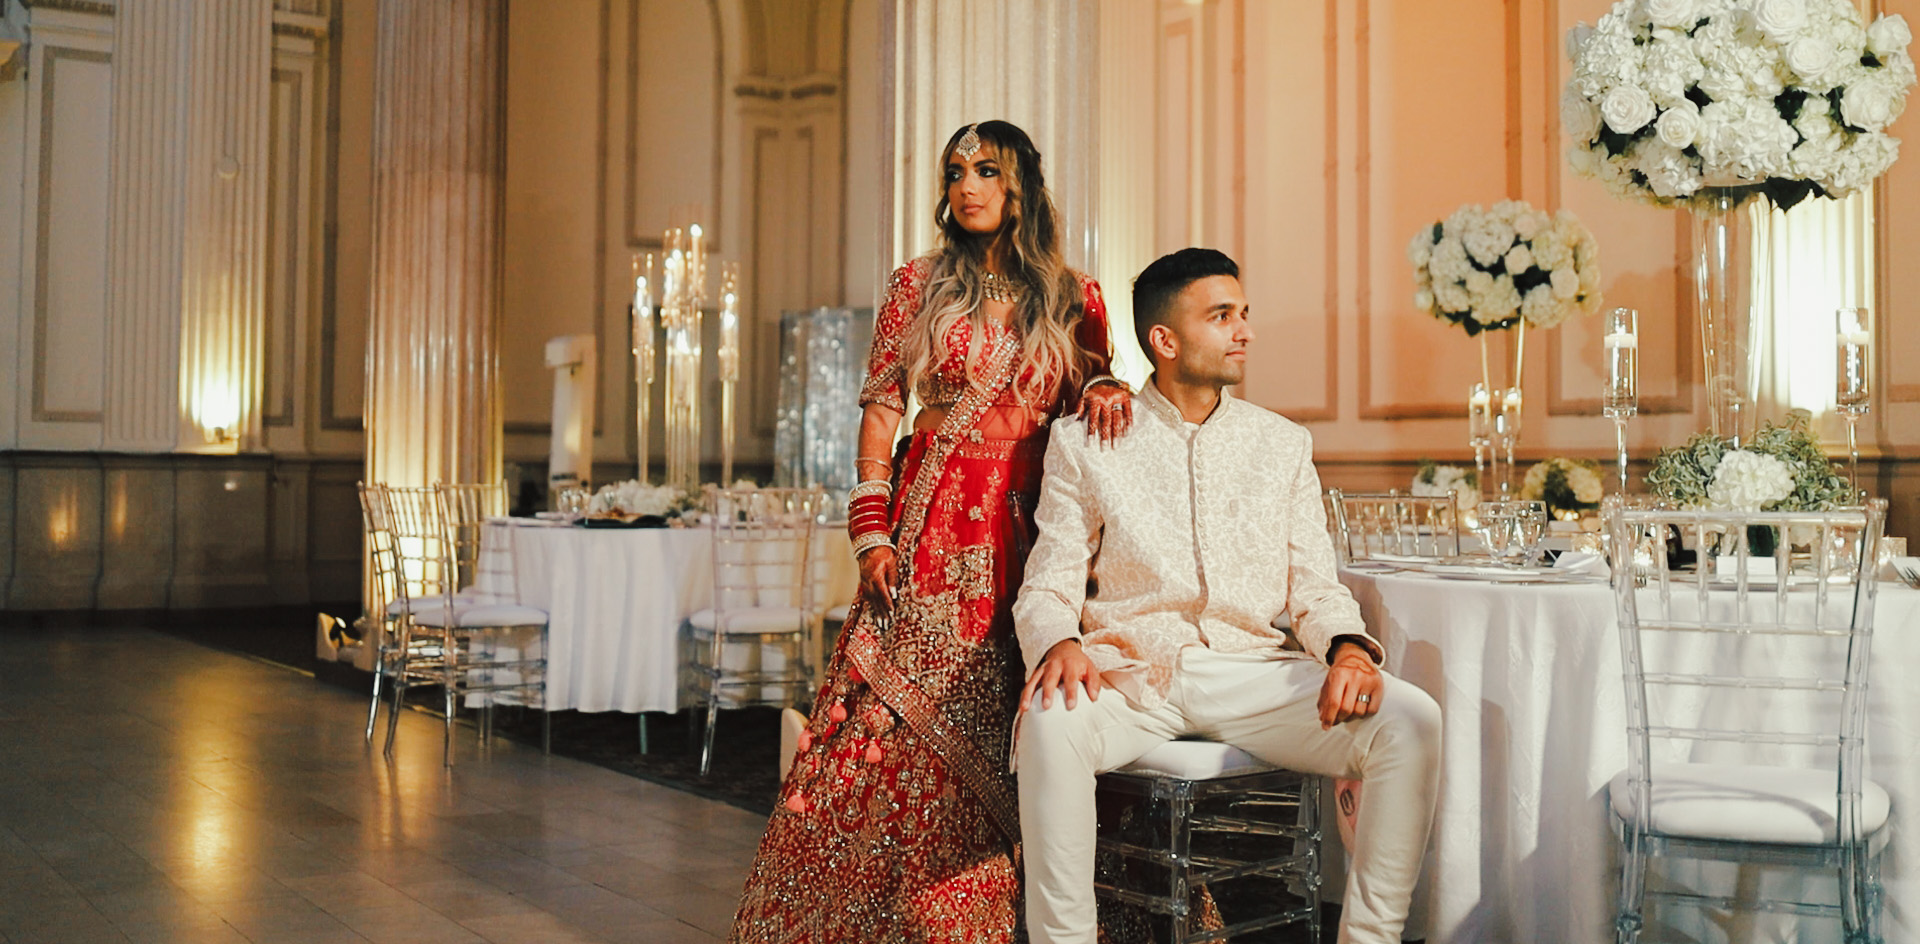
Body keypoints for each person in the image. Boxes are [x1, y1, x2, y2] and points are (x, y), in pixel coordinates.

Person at [728, 120, 1134, 944]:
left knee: (1033, 707)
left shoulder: (1075, 297)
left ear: (1021, 185)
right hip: (934, 525)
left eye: (986, 169)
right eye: (955, 172)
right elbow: (884, 406)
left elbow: (1095, 396)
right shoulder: (917, 284)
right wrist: (870, 528)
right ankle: (891, 918)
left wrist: (1109, 391)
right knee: (899, 716)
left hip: (1034, 531)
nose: (967, 186)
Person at [1012, 248, 1442, 944]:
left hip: (1251, 674)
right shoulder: (1086, 442)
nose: (1245, 331)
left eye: (1244, 313)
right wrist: (1057, 642)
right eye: (1221, 316)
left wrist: (1349, 650)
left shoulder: (1281, 444)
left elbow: (1314, 584)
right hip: (1134, 677)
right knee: (1047, 720)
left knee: (1412, 718)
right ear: (1165, 340)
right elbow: (1049, 580)